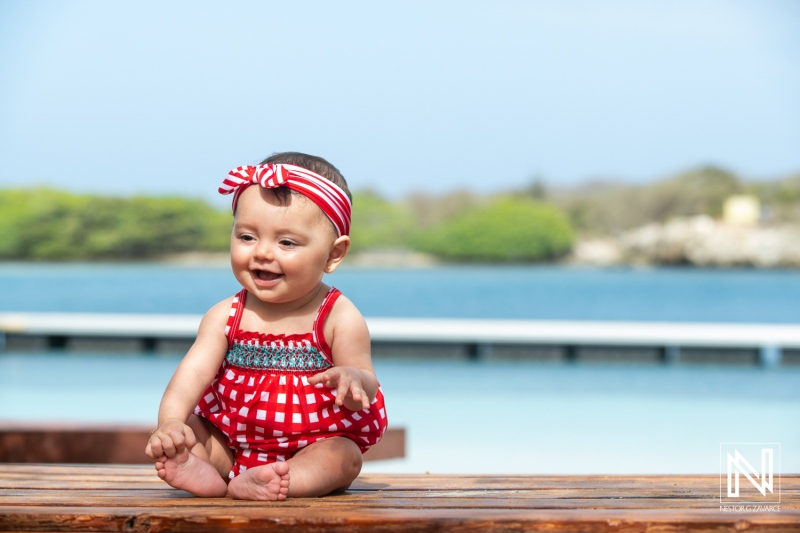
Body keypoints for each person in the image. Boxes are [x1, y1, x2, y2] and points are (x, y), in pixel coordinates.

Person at [145, 152, 387, 500]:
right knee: (191, 431)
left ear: (333, 255)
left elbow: (368, 378)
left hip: (312, 445)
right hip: (230, 444)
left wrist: (352, 378)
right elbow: (192, 374)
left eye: (286, 242)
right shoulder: (225, 315)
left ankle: (283, 480)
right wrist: (169, 422)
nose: (262, 253)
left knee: (343, 457)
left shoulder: (338, 316)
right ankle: (203, 469)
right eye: (246, 237)